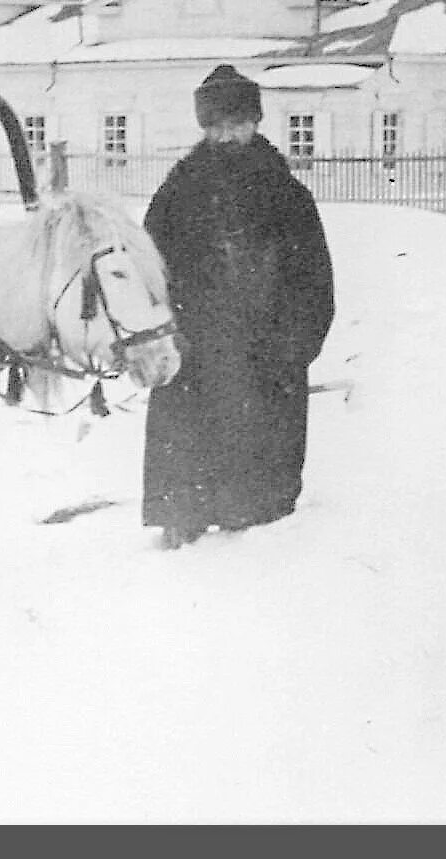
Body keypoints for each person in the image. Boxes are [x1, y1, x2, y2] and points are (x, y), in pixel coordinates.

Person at [142, 64, 336, 550]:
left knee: (258, 458)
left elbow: (314, 279)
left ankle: (252, 528)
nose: (228, 135)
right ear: (204, 128)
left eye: (238, 124)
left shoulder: (287, 196)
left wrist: (294, 346)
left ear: (255, 123)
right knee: (187, 434)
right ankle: (181, 516)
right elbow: (149, 266)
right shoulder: (177, 194)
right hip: (197, 345)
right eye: (217, 126)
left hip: (265, 346)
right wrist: (163, 333)